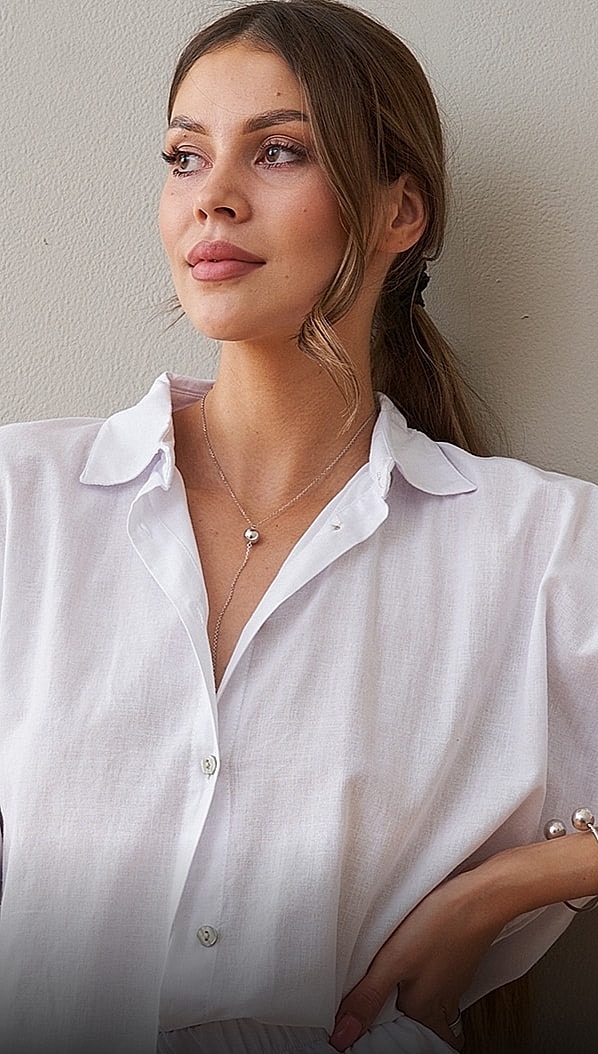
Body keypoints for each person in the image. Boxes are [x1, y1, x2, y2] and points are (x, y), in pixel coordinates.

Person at [0, 1, 597, 1052]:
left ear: (399, 211)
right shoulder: (25, 499)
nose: (213, 200)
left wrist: (514, 883)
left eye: (276, 151)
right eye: (184, 158)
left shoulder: (535, 547)